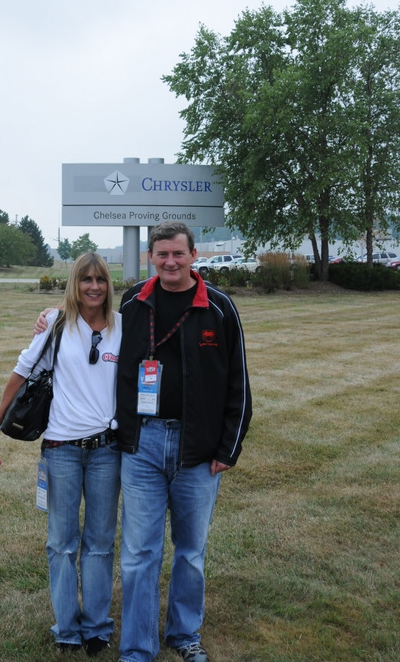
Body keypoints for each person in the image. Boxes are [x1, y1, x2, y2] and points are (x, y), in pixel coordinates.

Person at [0, 252, 122, 657]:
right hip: (61, 451)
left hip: (107, 452)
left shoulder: (122, 327)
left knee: (101, 543)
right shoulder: (56, 324)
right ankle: (67, 628)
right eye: (86, 279)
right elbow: (20, 373)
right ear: (75, 283)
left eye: (100, 279)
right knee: (61, 543)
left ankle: (97, 627)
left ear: (108, 284)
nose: (93, 286)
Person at [115, 221, 252, 662]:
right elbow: (94, 329)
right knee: (139, 553)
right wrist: (51, 317)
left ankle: (184, 634)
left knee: (190, 553)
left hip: (198, 450)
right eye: (162, 254)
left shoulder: (219, 307)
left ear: (194, 256)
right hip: (143, 444)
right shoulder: (133, 302)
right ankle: (138, 648)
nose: (170, 262)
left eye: (178, 253)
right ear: (150, 257)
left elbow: (239, 383)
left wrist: (228, 448)